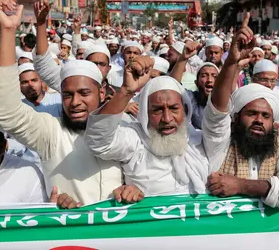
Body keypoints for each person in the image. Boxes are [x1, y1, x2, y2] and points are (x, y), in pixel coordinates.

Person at [0, 0, 122, 205]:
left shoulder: (123, 128)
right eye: (67, 95)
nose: (75, 102)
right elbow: (9, 113)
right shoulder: (51, 133)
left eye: (84, 93)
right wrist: (7, 31)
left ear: (102, 92)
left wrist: (135, 191)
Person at [203, 13, 279, 208]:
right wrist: (232, 61)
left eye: (266, 116)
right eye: (252, 114)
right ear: (237, 117)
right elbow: (217, 110)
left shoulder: (278, 145)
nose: (259, 120)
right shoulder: (221, 142)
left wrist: (241, 185)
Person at [84, 57, 208, 196]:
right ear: (145, 112)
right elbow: (99, 142)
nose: (167, 119)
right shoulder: (136, 139)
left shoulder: (199, 140)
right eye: (157, 110)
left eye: (173, 108)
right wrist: (126, 91)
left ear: (185, 110)